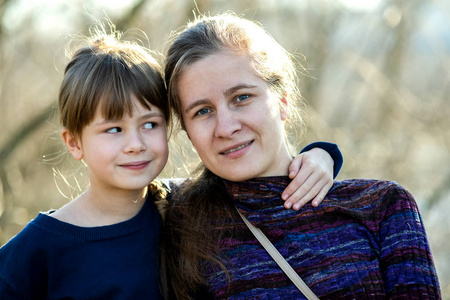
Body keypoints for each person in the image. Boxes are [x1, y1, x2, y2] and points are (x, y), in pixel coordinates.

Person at [0, 23, 342, 299]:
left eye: (150, 124)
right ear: (74, 143)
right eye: (113, 129)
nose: (135, 145)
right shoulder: (35, 252)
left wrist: (322, 155)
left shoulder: (180, 209)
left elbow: (263, 183)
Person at [160, 13, 441, 299]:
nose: (226, 127)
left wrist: (326, 154)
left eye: (241, 98)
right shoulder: (176, 222)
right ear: (187, 129)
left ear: (282, 101)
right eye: (202, 111)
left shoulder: (381, 206)